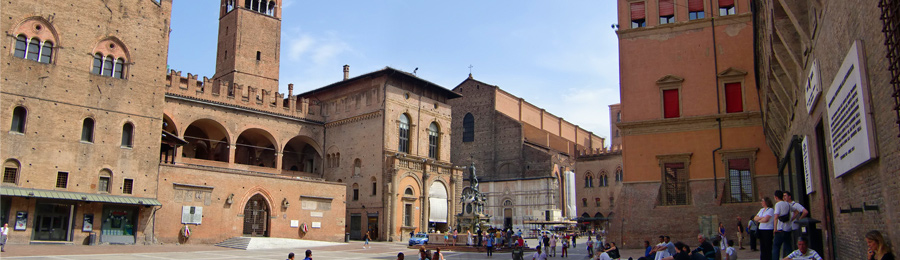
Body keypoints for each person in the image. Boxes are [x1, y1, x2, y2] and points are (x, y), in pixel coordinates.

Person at [772, 190, 793, 260]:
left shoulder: (778, 204)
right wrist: (791, 219)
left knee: (776, 247)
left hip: (780, 229)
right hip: (788, 229)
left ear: (776, 197)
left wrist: (775, 228)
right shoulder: (787, 204)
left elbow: (776, 217)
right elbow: (796, 211)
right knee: (788, 246)